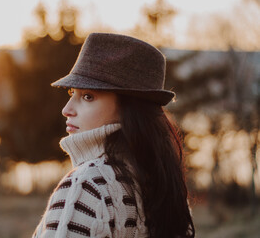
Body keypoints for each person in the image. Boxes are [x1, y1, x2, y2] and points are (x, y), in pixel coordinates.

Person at [32, 33, 195, 238]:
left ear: (128, 109)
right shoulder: (167, 190)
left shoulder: (86, 186)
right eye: (71, 93)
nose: (67, 109)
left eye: (88, 96)